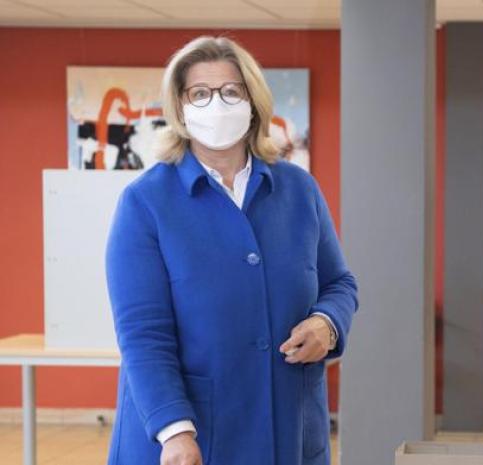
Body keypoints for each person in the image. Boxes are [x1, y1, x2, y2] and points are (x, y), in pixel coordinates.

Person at [105, 36, 357, 465]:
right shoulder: (145, 203)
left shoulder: (298, 190)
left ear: (253, 103)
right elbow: (144, 336)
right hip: (190, 435)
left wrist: (327, 323)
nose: (215, 105)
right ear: (180, 108)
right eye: (199, 94)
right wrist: (175, 430)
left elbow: (339, 283)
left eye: (230, 92)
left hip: (288, 426)